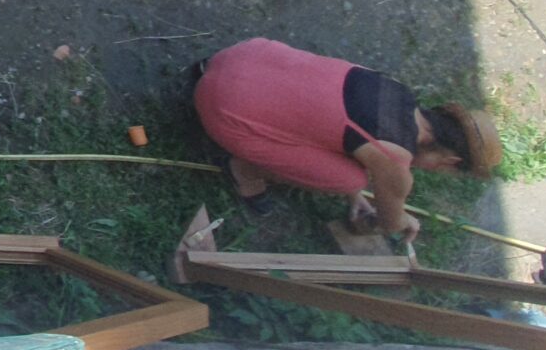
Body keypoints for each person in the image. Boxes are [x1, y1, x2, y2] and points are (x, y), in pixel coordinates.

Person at [192, 37, 500, 243]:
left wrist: (359, 200)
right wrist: (404, 219)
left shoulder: (396, 90)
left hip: (239, 57)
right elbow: (391, 222)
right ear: (450, 161)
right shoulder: (395, 160)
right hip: (221, 109)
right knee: (349, 179)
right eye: (444, 171)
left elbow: (346, 129)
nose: (434, 171)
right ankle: (244, 171)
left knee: (350, 169)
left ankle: (208, 77)